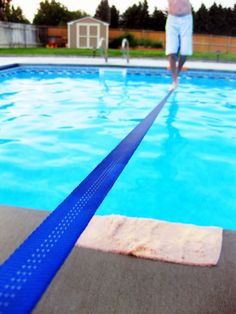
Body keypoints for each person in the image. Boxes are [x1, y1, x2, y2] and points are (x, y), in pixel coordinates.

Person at [166, 0, 193, 89]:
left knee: (185, 52)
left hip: (187, 19)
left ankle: (176, 72)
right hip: (172, 19)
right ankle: (174, 80)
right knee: (171, 51)